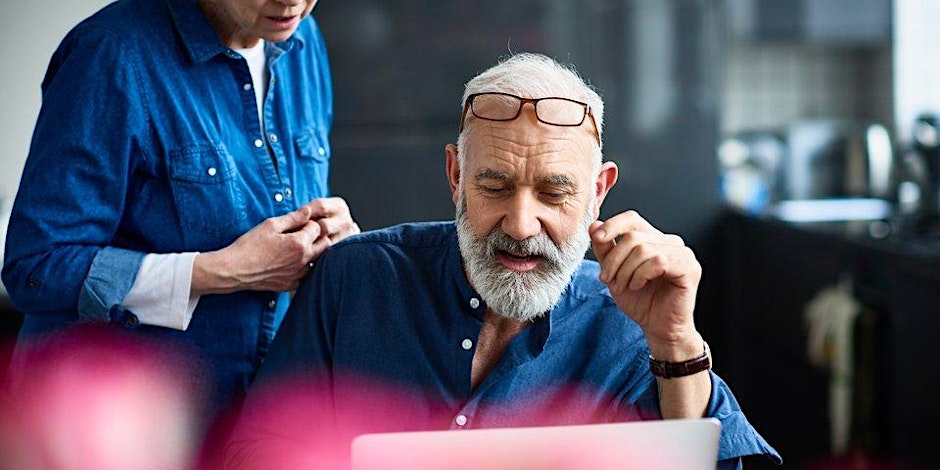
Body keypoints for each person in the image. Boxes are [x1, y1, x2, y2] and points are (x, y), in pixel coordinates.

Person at [224, 53, 781, 469]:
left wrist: (676, 342)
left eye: (554, 193)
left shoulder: (630, 318)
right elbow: (254, 454)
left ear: (598, 193)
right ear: (456, 177)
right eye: (494, 187)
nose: (520, 224)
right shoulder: (353, 280)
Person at [1, 0, 358, 425]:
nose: (291, 0)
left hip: (252, 419)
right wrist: (221, 271)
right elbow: (37, 268)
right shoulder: (111, 53)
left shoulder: (302, 37)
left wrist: (330, 243)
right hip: (119, 428)